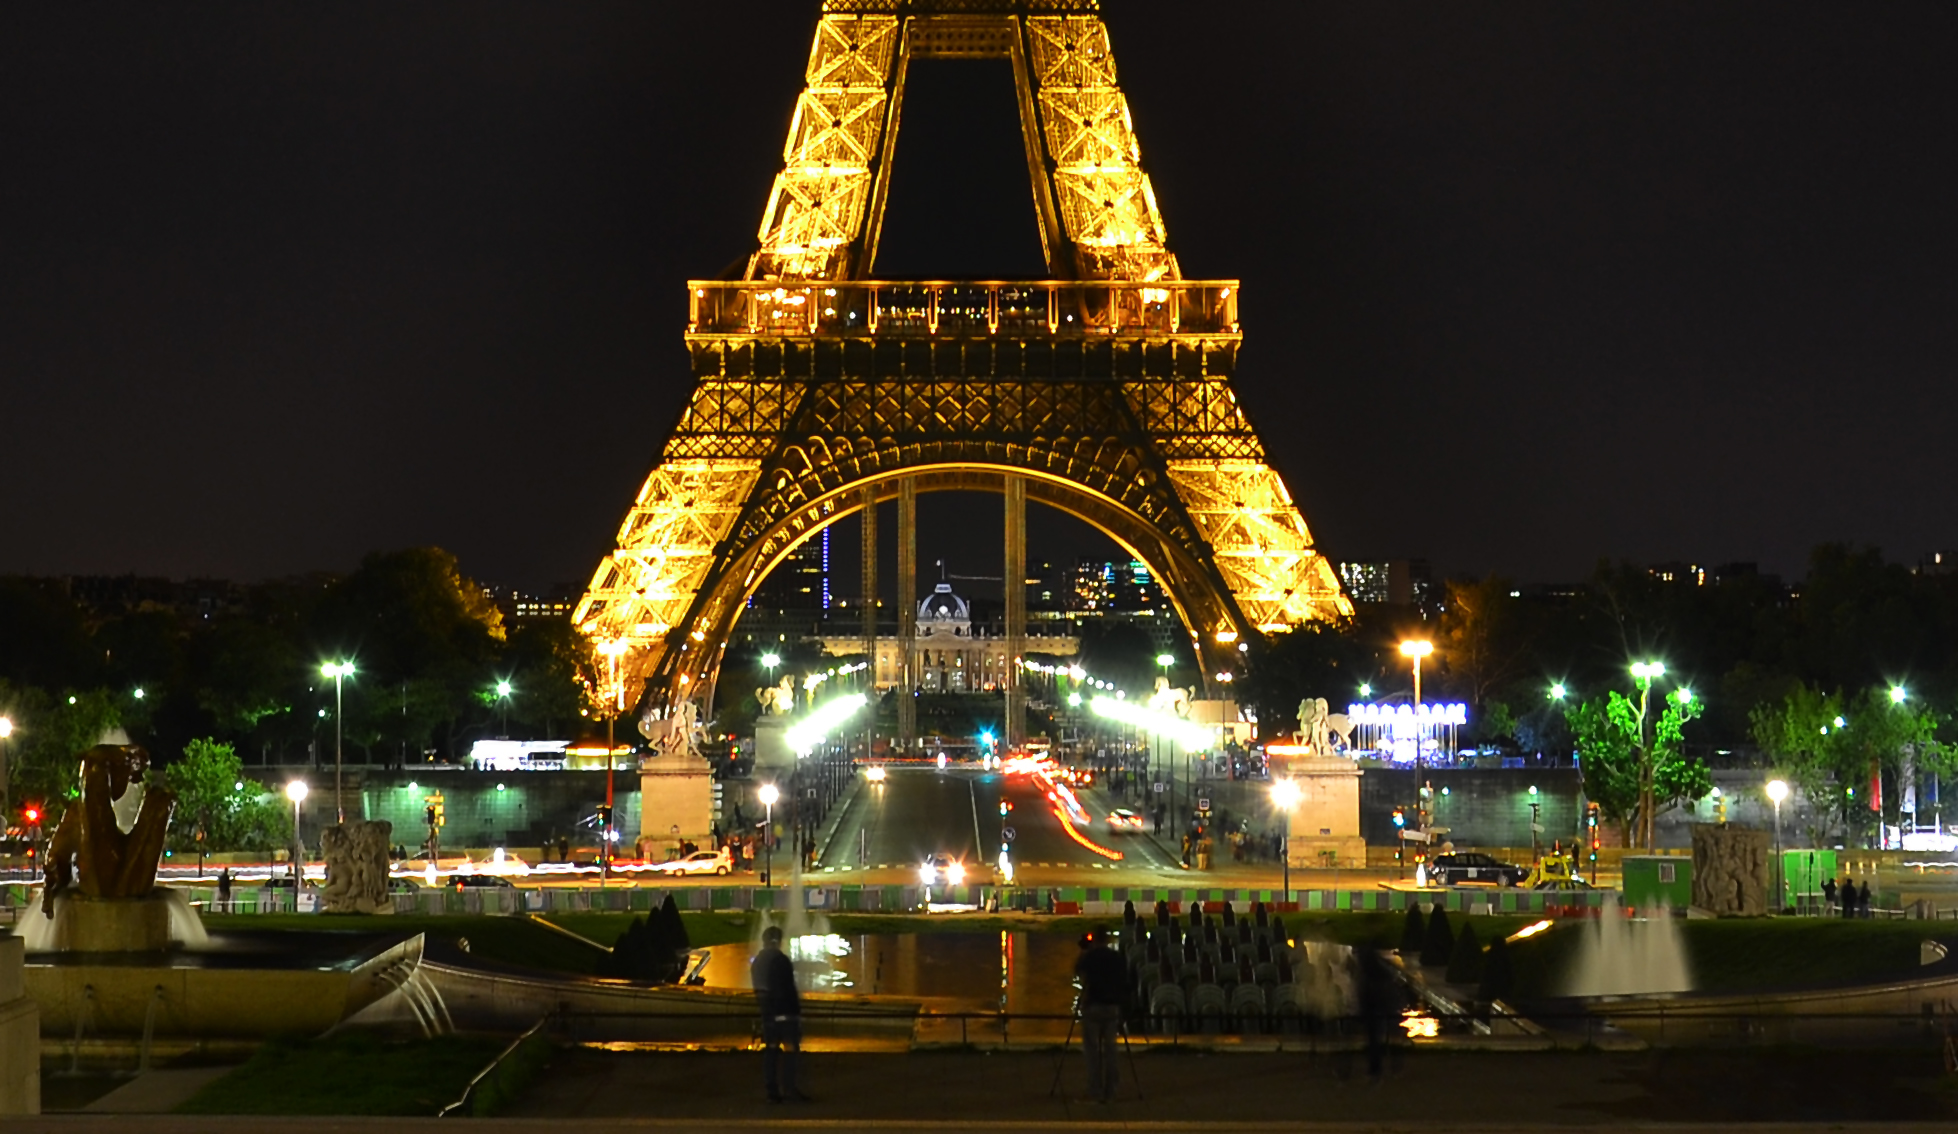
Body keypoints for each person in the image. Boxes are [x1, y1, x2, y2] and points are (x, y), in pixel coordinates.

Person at [751, 926, 807, 1103]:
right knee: (790, 1049)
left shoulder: (758, 961)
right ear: (779, 941)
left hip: (766, 1012)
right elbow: (786, 988)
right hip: (784, 1013)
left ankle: (772, 1090)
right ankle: (789, 1089)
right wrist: (795, 1012)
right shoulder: (780, 960)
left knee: (771, 1050)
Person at [1073, 929, 1127, 1103]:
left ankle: (1094, 1090)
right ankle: (1111, 1091)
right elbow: (1124, 979)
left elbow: (1077, 971)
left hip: (1093, 1005)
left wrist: (1084, 951)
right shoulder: (1116, 957)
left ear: (1094, 940)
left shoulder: (1090, 956)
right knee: (1111, 1050)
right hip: (1112, 1006)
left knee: (1092, 1051)